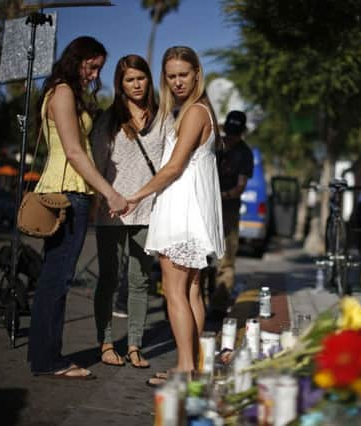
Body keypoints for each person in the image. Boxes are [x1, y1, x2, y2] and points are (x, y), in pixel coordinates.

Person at [28, 36, 128, 379]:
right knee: (56, 280)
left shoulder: (60, 90)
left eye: (99, 67)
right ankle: (47, 360)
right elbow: (74, 152)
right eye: (91, 65)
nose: (94, 73)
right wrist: (109, 192)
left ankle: (44, 356)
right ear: (76, 58)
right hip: (67, 192)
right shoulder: (64, 92)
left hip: (67, 190)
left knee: (53, 278)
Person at [122, 46, 224, 382]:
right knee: (191, 291)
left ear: (197, 73)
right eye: (171, 76)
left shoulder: (194, 112)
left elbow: (175, 166)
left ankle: (184, 367)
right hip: (191, 211)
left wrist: (135, 195)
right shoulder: (197, 110)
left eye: (183, 74)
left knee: (176, 291)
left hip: (182, 211)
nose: (178, 81)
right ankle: (192, 366)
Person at [91, 54, 164, 368]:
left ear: (149, 79)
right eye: (129, 79)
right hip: (112, 209)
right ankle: (106, 342)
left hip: (148, 211)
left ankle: (135, 344)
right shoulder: (109, 119)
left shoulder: (163, 119)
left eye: (141, 77)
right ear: (120, 85)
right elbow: (96, 164)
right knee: (108, 278)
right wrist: (102, 197)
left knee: (140, 281)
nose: (136, 84)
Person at [206, 110, 253, 319]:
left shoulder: (245, 153)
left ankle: (218, 305)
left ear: (242, 133)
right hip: (204, 207)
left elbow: (240, 186)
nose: (231, 138)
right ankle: (196, 297)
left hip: (229, 211)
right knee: (200, 255)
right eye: (229, 132)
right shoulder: (213, 145)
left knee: (226, 259)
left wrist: (221, 196)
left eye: (236, 134)